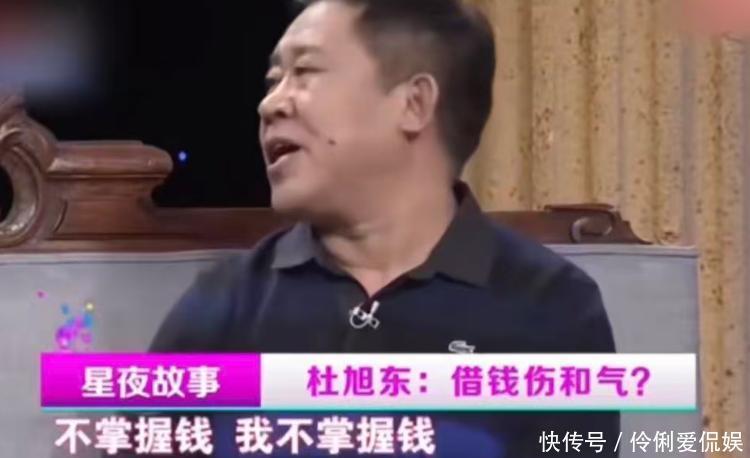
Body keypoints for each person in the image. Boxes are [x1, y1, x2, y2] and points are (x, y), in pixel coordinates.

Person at [150, 0, 620, 456]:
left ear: (414, 103)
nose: (270, 104)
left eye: (305, 72)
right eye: (274, 80)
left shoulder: (550, 305)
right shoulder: (227, 302)